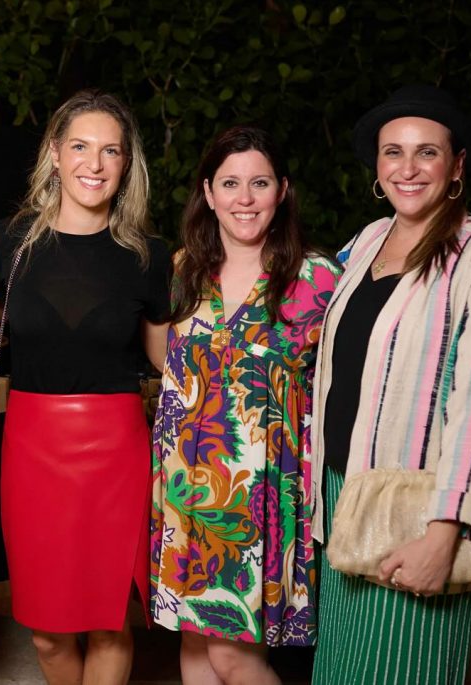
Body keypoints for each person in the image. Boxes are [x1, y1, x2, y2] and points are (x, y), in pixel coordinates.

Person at [310, 85, 471, 684]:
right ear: (377, 167)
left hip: (418, 512)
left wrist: (447, 534)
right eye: (393, 153)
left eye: (426, 152)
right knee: (340, 674)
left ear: (457, 164)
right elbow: (300, 314)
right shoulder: (365, 242)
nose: (407, 168)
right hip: (341, 495)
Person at [149, 125, 339, 684]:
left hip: (260, 496)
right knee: (192, 647)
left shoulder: (318, 279)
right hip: (186, 491)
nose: (245, 198)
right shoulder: (185, 269)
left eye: (259, 183)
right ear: (209, 193)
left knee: (235, 656)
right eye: (230, 183)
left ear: (282, 191)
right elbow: (170, 372)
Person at [0, 89, 172, 685]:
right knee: (46, 632)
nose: (94, 165)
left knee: (107, 621)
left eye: (110, 151)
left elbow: (169, 363)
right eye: (79, 147)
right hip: (30, 449)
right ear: (54, 153)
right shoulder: (10, 244)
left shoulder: (148, 256)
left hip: (116, 452)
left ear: (127, 165)